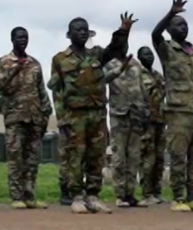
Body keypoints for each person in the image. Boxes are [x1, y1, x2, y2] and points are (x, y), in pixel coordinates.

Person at [48, 12, 135, 214]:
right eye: (78, 30)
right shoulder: (60, 59)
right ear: (69, 34)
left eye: (85, 30)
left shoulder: (96, 55)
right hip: (74, 115)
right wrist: (62, 119)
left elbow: (115, 49)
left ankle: (93, 195)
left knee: (96, 156)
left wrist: (124, 30)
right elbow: (57, 91)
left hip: (97, 113)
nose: (82, 33)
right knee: (75, 157)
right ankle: (76, 196)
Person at [151, 0, 193, 214]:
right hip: (179, 111)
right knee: (178, 155)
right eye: (178, 24)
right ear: (169, 29)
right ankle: (178, 198)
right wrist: (170, 13)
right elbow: (155, 35)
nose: (183, 27)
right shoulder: (167, 49)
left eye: (185, 25)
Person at [0, 27, 52, 209]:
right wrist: (14, 71)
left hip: (34, 117)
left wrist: (46, 112)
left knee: (32, 159)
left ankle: (30, 196)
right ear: (12, 40)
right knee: (16, 159)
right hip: (15, 117)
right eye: (19, 37)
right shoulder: (4, 62)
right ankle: (17, 197)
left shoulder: (34, 63)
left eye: (25, 37)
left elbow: (41, 90)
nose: (23, 40)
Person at [103, 54, 151, 209]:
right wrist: (119, 70)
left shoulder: (135, 63)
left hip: (136, 113)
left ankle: (131, 193)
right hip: (119, 113)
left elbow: (142, 88)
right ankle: (120, 194)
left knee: (134, 155)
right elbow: (103, 80)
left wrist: (145, 111)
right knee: (119, 155)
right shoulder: (109, 63)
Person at [135, 47, 167, 206]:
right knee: (148, 158)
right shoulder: (138, 76)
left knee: (160, 158)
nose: (149, 57)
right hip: (146, 122)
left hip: (160, 119)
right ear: (139, 57)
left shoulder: (158, 75)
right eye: (145, 54)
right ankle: (146, 193)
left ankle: (157, 191)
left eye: (150, 54)